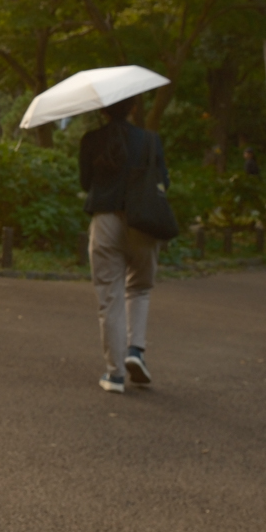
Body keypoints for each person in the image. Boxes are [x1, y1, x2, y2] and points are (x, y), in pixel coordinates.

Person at [79, 95, 168, 394]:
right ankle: (136, 351)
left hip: (105, 220)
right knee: (139, 288)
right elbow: (163, 182)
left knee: (110, 296)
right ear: (133, 107)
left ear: (103, 109)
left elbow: (85, 182)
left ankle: (115, 375)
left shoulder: (91, 139)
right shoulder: (150, 140)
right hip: (143, 221)